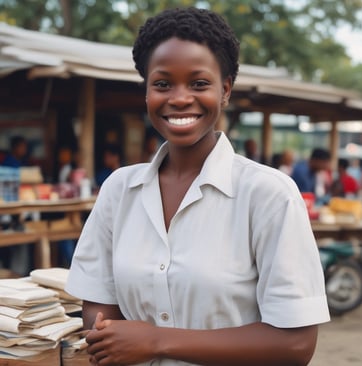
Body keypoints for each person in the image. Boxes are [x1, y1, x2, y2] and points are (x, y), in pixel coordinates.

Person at [66, 7, 329, 366]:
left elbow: (296, 345)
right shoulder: (118, 190)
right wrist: (110, 335)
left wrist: (157, 341)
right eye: (162, 84)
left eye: (199, 83)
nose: (179, 98)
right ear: (146, 92)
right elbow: (98, 303)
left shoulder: (268, 195)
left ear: (225, 90)